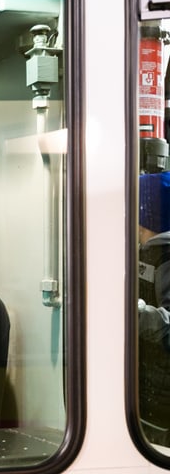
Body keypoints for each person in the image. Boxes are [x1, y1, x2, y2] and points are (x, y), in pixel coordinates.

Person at [137, 171, 170, 446]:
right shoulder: (144, 252)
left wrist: (129, 311)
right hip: (146, 387)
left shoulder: (166, 257)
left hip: (163, 399)